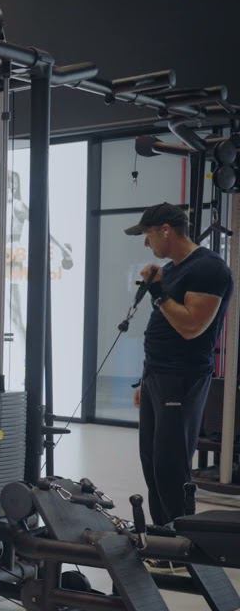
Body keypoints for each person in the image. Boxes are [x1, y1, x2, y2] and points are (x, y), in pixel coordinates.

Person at [127, 203, 233, 546]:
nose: (147, 244)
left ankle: (182, 543)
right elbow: (163, 328)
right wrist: (145, 379)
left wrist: (158, 292)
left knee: (171, 466)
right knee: (152, 464)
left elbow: (191, 327)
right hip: (157, 376)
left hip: (182, 378)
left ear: (166, 230)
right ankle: (163, 537)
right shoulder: (172, 270)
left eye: (148, 235)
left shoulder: (209, 268)